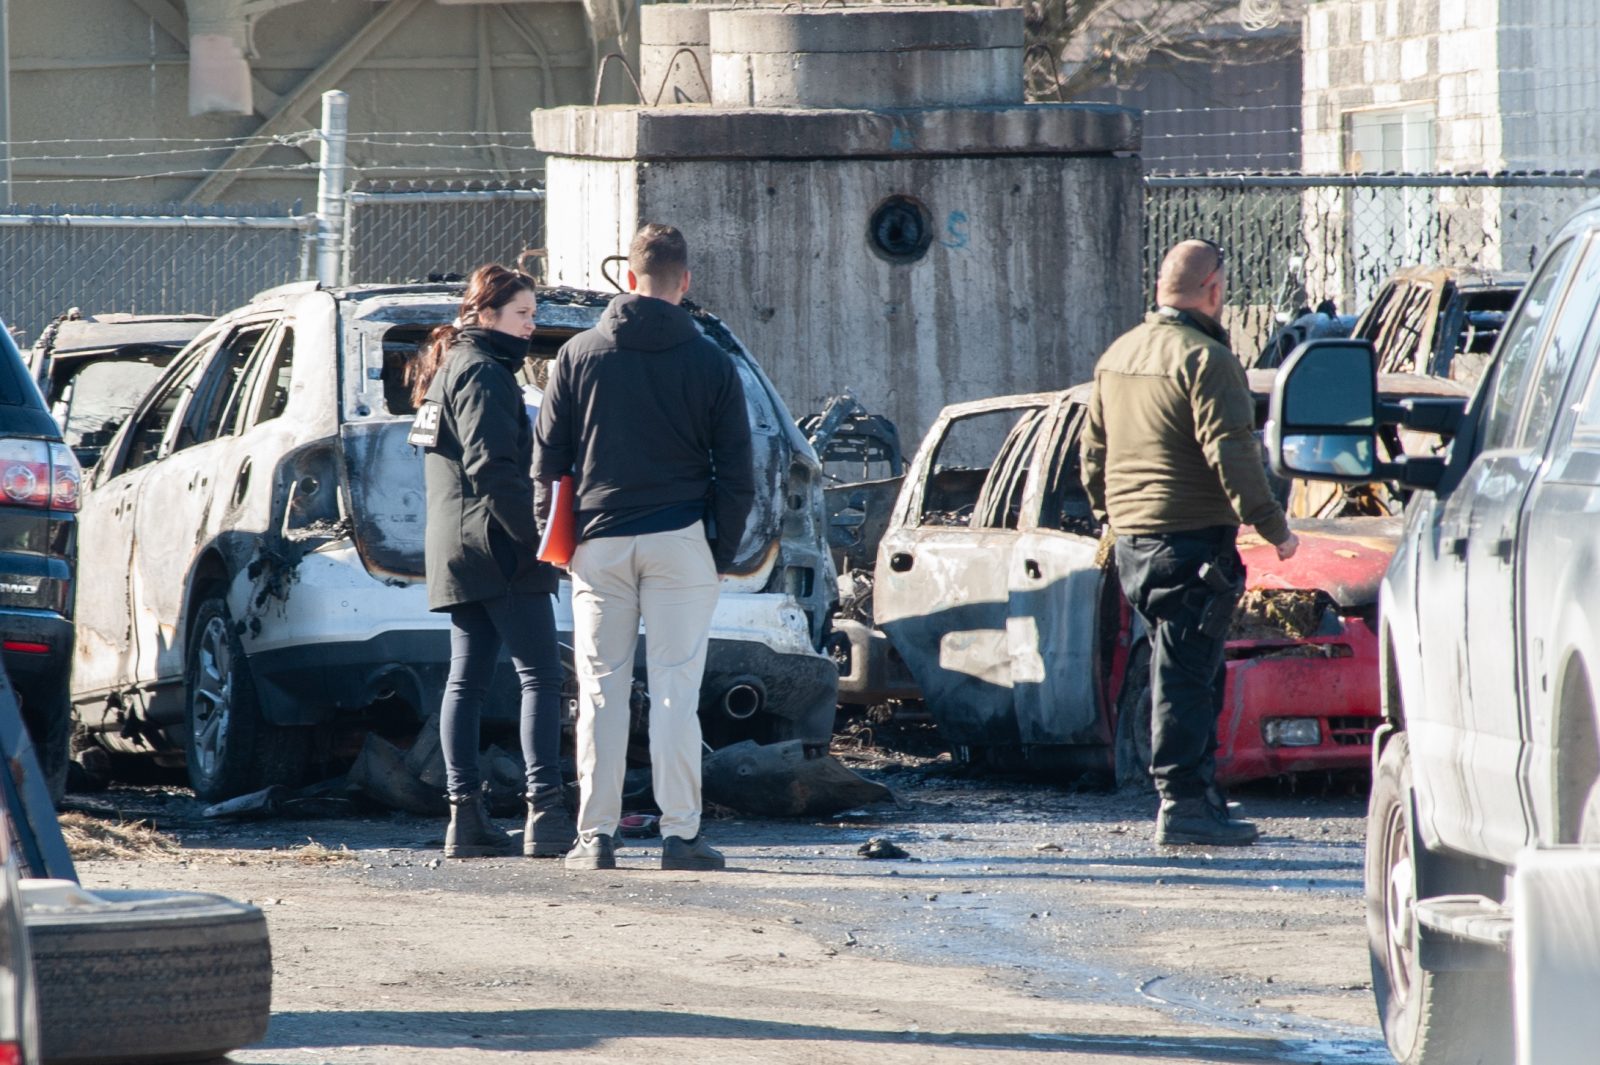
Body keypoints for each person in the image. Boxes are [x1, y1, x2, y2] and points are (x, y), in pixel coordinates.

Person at [535, 224, 755, 872]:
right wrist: (716, 551)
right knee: (674, 690)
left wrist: (558, 545)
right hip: (680, 540)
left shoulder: (577, 356)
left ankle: (595, 837)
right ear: (684, 282)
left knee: (600, 689)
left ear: (627, 280)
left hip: (599, 545)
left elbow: (546, 464)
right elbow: (737, 473)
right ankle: (680, 835)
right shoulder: (713, 362)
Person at [1080, 238, 1300, 847]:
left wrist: (1112, 516)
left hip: (1136, 543)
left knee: (1181, 668)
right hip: (1191, 543)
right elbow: (1232, 452)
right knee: (1186, 676)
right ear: (1215, 289)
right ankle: (1184, 807)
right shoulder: (1206, 359)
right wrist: (1273, 527)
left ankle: (1201, 799)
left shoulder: (1118, 354)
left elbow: (1092, 455)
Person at [408, 264, 575, 859]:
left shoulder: (451, 366)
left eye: (534, 314)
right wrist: (538, 542)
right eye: (523, 314)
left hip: (457, 549)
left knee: (468, 681)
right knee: (541, 677)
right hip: (497, 546)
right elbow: (491, 469)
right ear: (485, 316)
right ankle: (547, 815)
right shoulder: (483, 373)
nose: (533, 325)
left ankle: (466, 819)